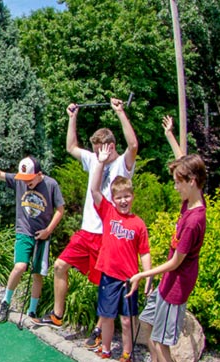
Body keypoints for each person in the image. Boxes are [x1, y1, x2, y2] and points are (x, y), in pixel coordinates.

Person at [33, 97, 138, 343]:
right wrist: (72, 118)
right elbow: (71, 147)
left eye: (102, 147)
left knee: (106, 283)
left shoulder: (123, 163)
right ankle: (58, 315)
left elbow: (133, 145)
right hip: (86, 231)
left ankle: (100, 330)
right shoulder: (92, 159)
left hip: (109, 234)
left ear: (111, 146)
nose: (98, 152)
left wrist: (120, 113)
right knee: (60, 265)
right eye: (96, 147)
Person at [126, 117, 207, 362]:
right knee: (148, 322)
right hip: (168, 282)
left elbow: (175, 263)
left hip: (176, 286)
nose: (175, 188)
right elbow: (182, 162)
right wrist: (170, 135)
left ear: (192, 182)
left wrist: (141, 274)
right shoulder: (191, 200)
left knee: (160, 340)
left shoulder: (194, 221)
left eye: (178, 184)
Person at [0, 148, 65, 323]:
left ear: (39, 175)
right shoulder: (20, 181)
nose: (26, 183)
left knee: (37, 274)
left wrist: (48, 231)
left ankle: (32, 311)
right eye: (24, 180)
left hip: (42, 235)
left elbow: (60, 210)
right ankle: (5, 302)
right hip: (24, 232)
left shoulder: (51, 185)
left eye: (30, 180)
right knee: (20, 267)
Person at [88, 145, 151, 362]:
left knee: (126, 320)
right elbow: (95, 190)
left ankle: (126, 354)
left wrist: (147, 276)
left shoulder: (138, 224)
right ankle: (105, 350)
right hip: (109, 275)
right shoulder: (108, 212)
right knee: (106, 316)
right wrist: (101, 163)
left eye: (127, 197)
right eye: (119, 197)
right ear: (113, 199)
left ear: (132, 197)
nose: (123, 201)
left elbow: (144, 252)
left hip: (129, 280)